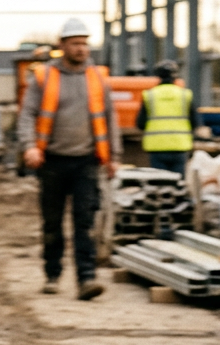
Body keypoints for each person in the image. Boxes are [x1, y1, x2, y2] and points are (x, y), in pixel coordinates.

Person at [18, 17, 121, 301]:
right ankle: (52, 274)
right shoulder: (44, 76)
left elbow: (110, 117)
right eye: (76, 44)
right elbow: (27, 113)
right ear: (62, 45)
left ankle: (86, 279)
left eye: (85, 43)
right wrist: (30, 146)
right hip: (51, 161)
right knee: (52, 222)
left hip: (86, 161)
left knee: (84, 222)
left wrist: (114, 156)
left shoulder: (98, 77)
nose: (81, 49)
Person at [135, 60, 200, 175]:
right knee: (178, 183)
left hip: (156, 147)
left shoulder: (150, 95)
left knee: (160, 183)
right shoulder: (185, 95)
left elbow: (140, 123)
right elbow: (195, 122)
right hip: (180, 146)